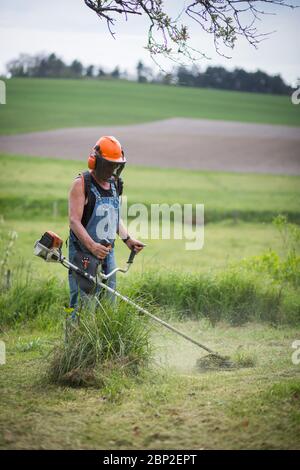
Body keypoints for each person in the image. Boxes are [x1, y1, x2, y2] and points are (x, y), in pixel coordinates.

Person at [68, 135, 145, 314]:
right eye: (108, 164)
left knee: (109, 303)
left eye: (115, 165)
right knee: (83, 304)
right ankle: (77, 341)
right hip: (83, 253)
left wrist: (127, 239)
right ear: (96, 161)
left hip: (107, 252)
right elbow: (74, 221)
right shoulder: (81, 184)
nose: (112, 169)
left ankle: (104, 341)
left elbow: (113, 215)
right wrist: (93, 247)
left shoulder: (115, 184)